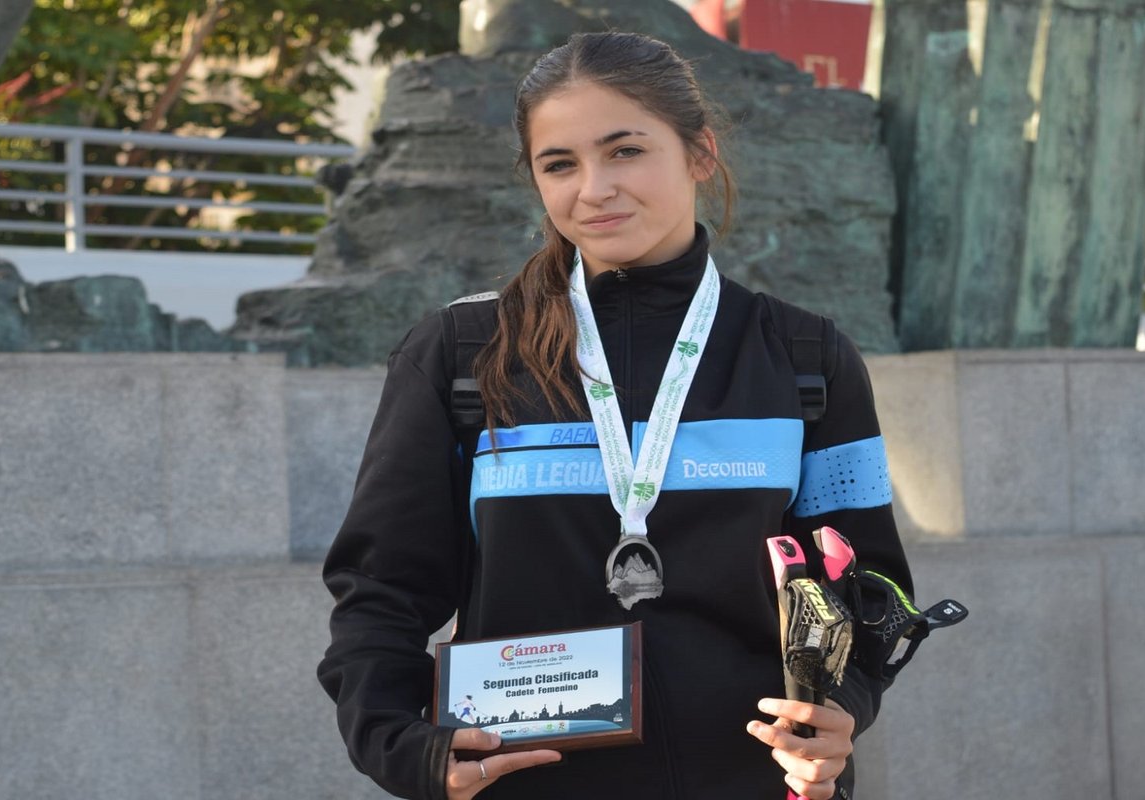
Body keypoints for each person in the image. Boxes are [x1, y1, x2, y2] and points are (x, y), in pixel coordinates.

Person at [318, 30, 912, 800]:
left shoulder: (805, 358)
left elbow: (872, 587)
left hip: (755, 783)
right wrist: (402, 746)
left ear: (700, 153)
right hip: (526, 783)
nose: (593, 188)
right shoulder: (463, 355)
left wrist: (842, 709)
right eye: (559, 163)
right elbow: (382, 587)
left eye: (626, 150)